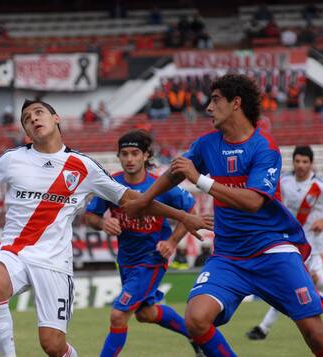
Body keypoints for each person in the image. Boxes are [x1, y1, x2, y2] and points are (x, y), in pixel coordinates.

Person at [0, 99, 212, 357]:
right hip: (14, 251)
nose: (33, 118)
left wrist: (181, 216)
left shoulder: (83, 166)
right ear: (25, 131)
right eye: (27, 118)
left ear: (56, 119)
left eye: (39, 112)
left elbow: (135, 200)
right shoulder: (11, 160)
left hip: (54, 263)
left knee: (53, 346)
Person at [123, 73, 323, 356]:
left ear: (236, 103)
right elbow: (176, 170)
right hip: (229, 256)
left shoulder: (264, 148)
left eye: (215, 100)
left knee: (315, 335)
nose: (208, 107)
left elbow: (253, 201)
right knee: (195, 318)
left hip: (273, 251)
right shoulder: (207, 144)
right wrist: (144, 200)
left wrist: (200, 180)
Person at [84, 130, 204, 357]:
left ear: (146, 156)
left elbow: (190, 210)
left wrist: (171, 241)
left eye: (135, 153)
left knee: (119, 315)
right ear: (118, 156)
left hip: (152, 259)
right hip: (127, 261)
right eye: (125, 154)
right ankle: (195, 334)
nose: (130, 159)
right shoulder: (111, 184)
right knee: (145, 313)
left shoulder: (161, 185)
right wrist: (103, 223)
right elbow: (90, 217)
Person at [246, 146, 323, 340]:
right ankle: (263, 328)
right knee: (293, 286)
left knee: (304, 286)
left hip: (315, 247)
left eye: (305, 162)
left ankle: (263, 328)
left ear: (311, 163)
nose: (300, 165)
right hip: (291, 244)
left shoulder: (319, 186)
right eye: (297, 161)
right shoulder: (284, 182)